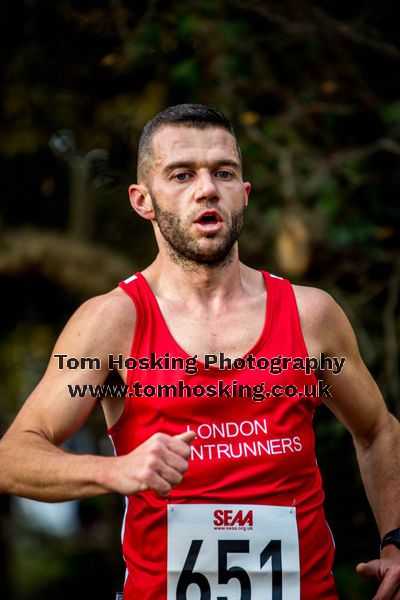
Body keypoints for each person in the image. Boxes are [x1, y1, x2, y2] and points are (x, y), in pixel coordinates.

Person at [0, 103, 399, 599]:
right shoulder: (110, 325)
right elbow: (12, 456)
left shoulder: (309, 316)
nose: (207, 188)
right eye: (182, 174)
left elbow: (378, 430)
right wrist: (113, 470)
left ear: (244, 194)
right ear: (142, 200)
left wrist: (395, 542)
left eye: (224, 173)